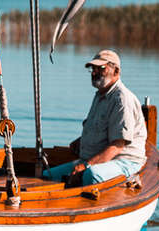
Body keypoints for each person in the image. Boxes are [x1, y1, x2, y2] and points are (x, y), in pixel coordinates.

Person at [45, 49, 146, 186]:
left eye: (101, 68)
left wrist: (86, 165)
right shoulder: (100, 95)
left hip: (124, 161)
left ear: (116, 71)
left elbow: (118, 145)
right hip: (97, 160)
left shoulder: (122, 99)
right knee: (47, 176)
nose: (94, 73)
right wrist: (81, 141)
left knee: (92, 175)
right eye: (93, 68)